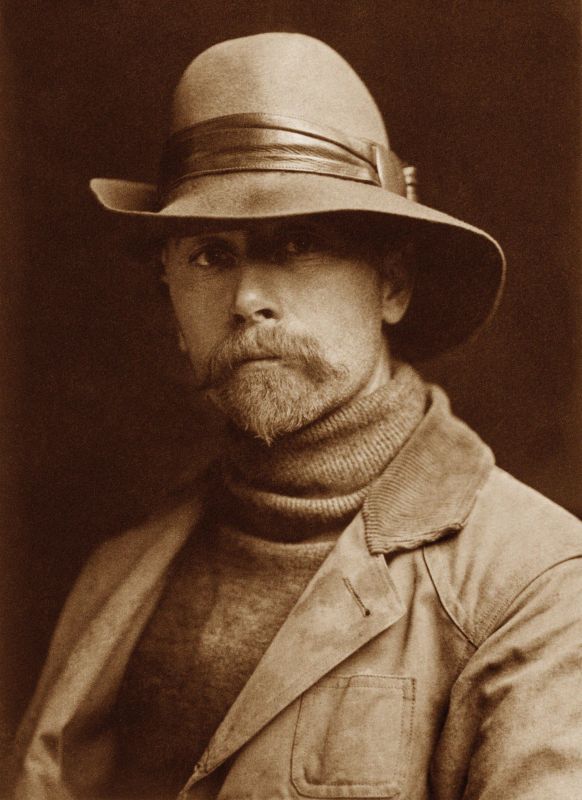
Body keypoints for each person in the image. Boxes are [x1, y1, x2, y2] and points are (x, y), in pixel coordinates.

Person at [13, 32, 582, 800]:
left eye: (297, 243)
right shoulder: (118, 574)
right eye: (211, 255)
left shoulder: (536, 583)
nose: (248, 299)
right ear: (172, 301)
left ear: (392, 283)